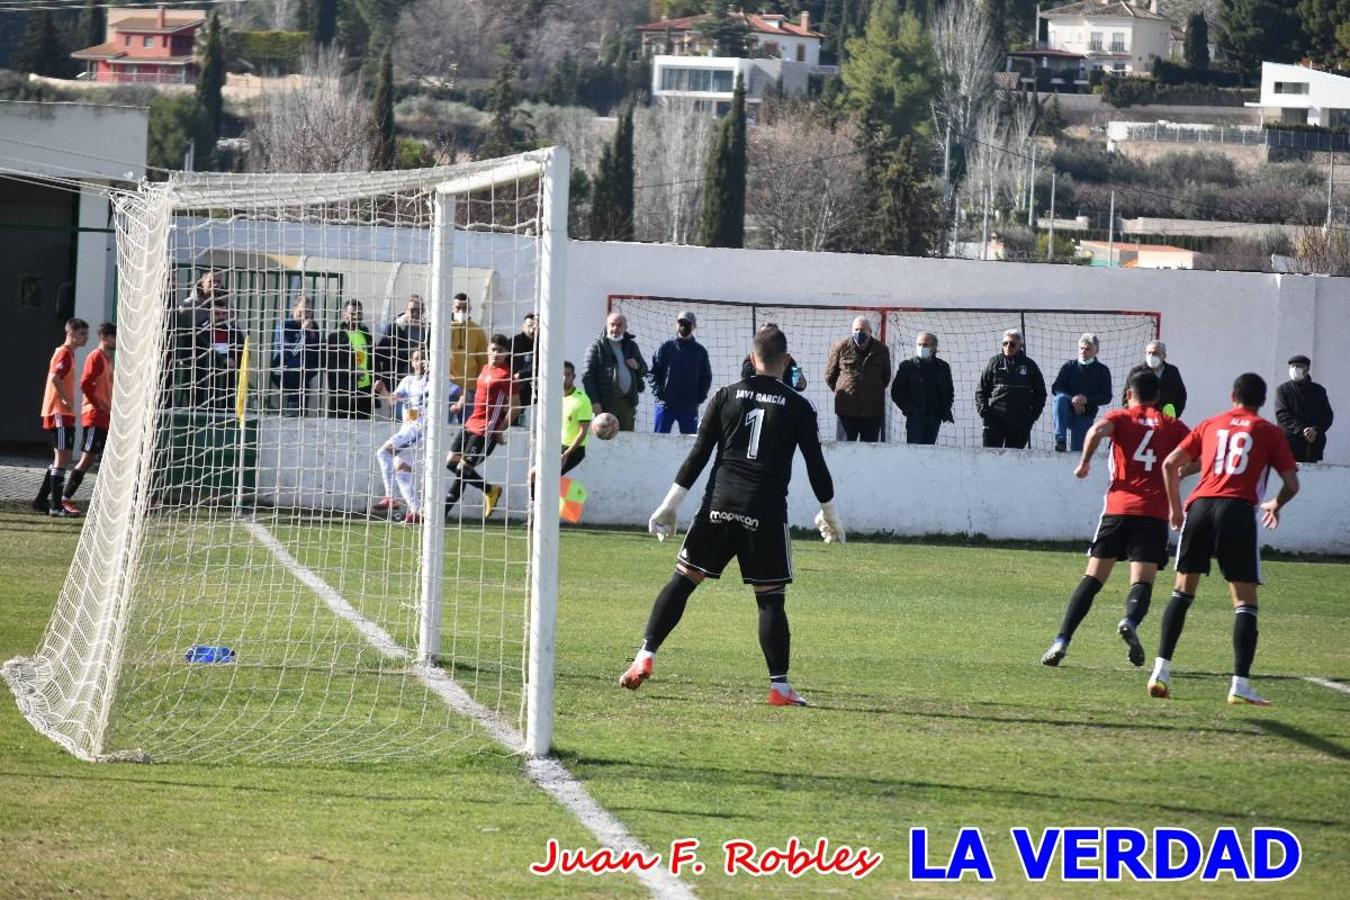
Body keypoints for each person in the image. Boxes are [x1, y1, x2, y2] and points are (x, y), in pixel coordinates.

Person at [618, 326, 844, 708]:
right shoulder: (800, 406)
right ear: (786, 361)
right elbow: (815, 465)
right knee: (770, 599)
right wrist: (829, 513)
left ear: (753, 358)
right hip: (765, 512)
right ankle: (780, 687)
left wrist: (670, 504)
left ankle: (644, 656)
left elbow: (699, 454)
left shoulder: (725, 395)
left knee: (684, 579)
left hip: (717, 506)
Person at [1153, 373, 1300, 707]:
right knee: (1245, 603)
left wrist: (1175, 509)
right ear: (1262, 402)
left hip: (1200, 508)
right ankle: (1240, 684)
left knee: (1181, 592)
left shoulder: (1211, 424)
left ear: (1232, 394)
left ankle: (1160, 671)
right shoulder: (1269, 432)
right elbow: (1291, 483)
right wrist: (1276, 504)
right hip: (1237, 511)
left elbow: (1171, 463)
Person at [1041, 370, 1190, 668]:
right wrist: (1182, 471)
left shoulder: (1121, 417)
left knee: (1093, 578)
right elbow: (1202, 452)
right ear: (1158, 398)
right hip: (1153, 513)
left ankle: (1062, 640)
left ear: (1128, 394)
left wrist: (1084, 463)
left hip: (1118, 509)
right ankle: (1130, 620)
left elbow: (1096, 431)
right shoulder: (1172, 425)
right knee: (1142, 581)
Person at [445, 334, 519, 520]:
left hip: (486, 429)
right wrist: (461, 403)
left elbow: (516, 407)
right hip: (471, 422)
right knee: (451, 462)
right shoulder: (485, 368)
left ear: (506, 353)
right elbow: (475, 392)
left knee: (463, 469)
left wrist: (500, 430)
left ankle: (442, 513)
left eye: (500, 351)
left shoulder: (505, 376)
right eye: (493, 349)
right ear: (488, 350)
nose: (496, 354)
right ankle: (490, 490)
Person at [55, 322, 118, 517]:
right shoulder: (96, 357)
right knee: (86, 458)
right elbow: (85, 383)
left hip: (104, 416)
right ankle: (64, 497)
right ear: (105, 337)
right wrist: (98, 404)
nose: (117, 342)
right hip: (94, 415)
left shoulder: (107, 359)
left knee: (99, 459)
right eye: (115, 337)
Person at [33, 318, 90, 517]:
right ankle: (56, 507)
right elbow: (55, 378)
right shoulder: (65, 353)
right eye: (83, 333)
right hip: (58, 412)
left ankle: (41, 500)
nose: (86, 338)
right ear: (72, 333)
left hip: (61, 413)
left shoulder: (68, 354)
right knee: (62, 458)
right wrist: (65, 400)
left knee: (62, 457)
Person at [371, 347, 434, 525]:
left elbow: (458, 390)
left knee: (383, 453)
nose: (420, 362)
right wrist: (382, 390)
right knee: (401, 470)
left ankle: (390, 496)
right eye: (417, 359)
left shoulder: (434, 381)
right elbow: (392, 399)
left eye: (424, 359)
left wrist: (459, 401)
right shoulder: (407, 381)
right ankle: (417, 511)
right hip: (408, 428)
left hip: (419, 428)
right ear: (411, 362)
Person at [530, 360, 593, 500]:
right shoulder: (554, 396)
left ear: (574, 377)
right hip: (557, 446)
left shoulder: (582, 400)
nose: (564, 378)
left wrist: (566, 454)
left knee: (545, 479)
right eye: (561, 374)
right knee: (533, 475)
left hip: (573, 450)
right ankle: (535, 510)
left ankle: (544, 513)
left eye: (568, 374)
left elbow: (583, 432)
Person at [976, 328, 1046, 449]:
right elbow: (981, 390)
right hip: (994, 419)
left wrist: (1032, 416)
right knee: (990, 458)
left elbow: (1041, 393)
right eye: (1005, 343)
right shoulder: (994, 362)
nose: (1008, 346)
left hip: (1020, 422)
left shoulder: (1030, 365)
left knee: (1014, 461)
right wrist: (984, 410)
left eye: (1012, 344)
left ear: (1020, 346)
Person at [824, 316, 891, 442]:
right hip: (846, 411)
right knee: (845, 450)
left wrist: (869, 389)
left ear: (870, 332)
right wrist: (845, 390)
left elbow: (885, 378)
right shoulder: (841, 347)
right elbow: (829, 375)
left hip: (872, 411)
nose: (859, 333)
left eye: (863, 330)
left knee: (870, 450)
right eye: (856, 329)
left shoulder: (881, 349)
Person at [648, 310, 713, 434]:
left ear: (694, 326)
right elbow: (652, 372)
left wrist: (699, 398)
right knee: (658, 442)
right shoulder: (665, 347)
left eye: (688, 323)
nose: (684, 326)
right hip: (665, 406)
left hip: (689, 407)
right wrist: (659, 393)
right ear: (675, 325)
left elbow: (706, 377)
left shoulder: (700, 351)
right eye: (681, 323)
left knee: (689, 445)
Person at [582, 312, 648, 433]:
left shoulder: (631, 346)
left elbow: (644, 369)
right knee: (604, 439)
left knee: (627, 441)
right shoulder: (596, 347)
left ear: (625, 328)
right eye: (612, 325)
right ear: (607, 326)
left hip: (628, 404)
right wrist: (594, 402)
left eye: (619, 325)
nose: (615, 328)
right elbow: (587, 377)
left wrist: (637, 365)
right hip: (605, 404)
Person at [1051, 333, 1113, 453]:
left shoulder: (1102, 370)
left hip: (1086, 414)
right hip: (1067, 411)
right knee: (1059, 399)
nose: (1083, 351)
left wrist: (1086, 399)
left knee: (1078, 452)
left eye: (1087, 349)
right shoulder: (1069, 366)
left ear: (1096, 351)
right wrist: (1073, 400)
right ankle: (1060, 441)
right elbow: (1056, 387)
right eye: (1081, 348)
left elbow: (1106, 397)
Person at [890, 331, 954, 445]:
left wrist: (945, 408)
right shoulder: (908, 366)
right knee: (914, 450)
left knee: (930, 450)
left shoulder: (943, 367)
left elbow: (949, 391)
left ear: (934, 347)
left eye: (925, 345)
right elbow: (896, 392)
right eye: (919, 345)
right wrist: (909, 409)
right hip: (915, 418)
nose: (921, 347)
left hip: (935, 417)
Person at [1275, 354, 1333, 463]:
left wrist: (1315, 430)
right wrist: (1302, 430)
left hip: (1313, 444)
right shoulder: (1283, 390)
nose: (1294, 369)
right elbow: (1281, 414)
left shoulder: (1319, 391)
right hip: (1289, 443)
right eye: (1292, 367)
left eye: (1298, 366)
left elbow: (1327, 416)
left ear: (1307, 369)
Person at [324, 299, 375, 419]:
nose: (356, 316)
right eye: (352, 313)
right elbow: (328, 365)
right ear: (344, 314)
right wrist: (352, 371)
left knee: (363, 431)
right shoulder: (334, 338)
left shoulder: (368, 337)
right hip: (343, 394)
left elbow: (374, 363)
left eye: (359, 313)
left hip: (364, 393)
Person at [272, 295, 321, 416]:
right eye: (302, 311)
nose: (306, 315)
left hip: (305, 370)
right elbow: (291, 352)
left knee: (305, 372)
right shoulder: (284, 326)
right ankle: (292, 407)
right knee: (297, 365)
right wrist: (303, 333)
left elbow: (316, 349)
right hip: (284, 368)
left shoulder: (314, 326)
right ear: (294, 309)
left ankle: (300, 411)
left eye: (309, 312)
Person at [1121, 340, 1186, 418]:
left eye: (1155, 353)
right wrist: (1134, 416)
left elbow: (1181, 395)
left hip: (1164, 420)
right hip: (1142, 419)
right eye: (1149, 353)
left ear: (1163, 356)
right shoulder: (1136, 372)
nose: (1151, 356)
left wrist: (1174, 416)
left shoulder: (1172, 371)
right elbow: (1126, 397)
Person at [375, 295, 427, 387]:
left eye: (419, 311)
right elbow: (380, 353)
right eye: (413, 310)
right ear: (406, 310)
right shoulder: (394, 329)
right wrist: (409, 354)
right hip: (398, 381)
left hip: (419, 381)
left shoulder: (426, 330)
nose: (416, 314)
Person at [450, 292, 489, 413]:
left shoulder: (477, 330)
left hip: (471, 388)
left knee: (468, 428)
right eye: (458, 308)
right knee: (444, 426)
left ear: (470, 309)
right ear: (452, 308)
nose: (461, 311)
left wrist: (479, 386)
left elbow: (483, 360)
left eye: (465, 308)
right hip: (448, 387)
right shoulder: (443, 328)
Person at [740, 323, 806, 391]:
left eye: (772, 336)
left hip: (782, 397)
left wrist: (799, 381)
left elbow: (801, 386)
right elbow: (745, 383)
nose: (768, 340)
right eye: (763, 335)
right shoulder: (749, 361)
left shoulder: (789, 361)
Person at [510, 312, 538, 409]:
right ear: (523, 326)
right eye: (529, 325)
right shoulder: (513, 342)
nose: (532, 330)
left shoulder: (543, 345)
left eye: (536, 327)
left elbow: (541, 366)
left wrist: (521, 374)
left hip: (533, 389)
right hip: (513, 387)